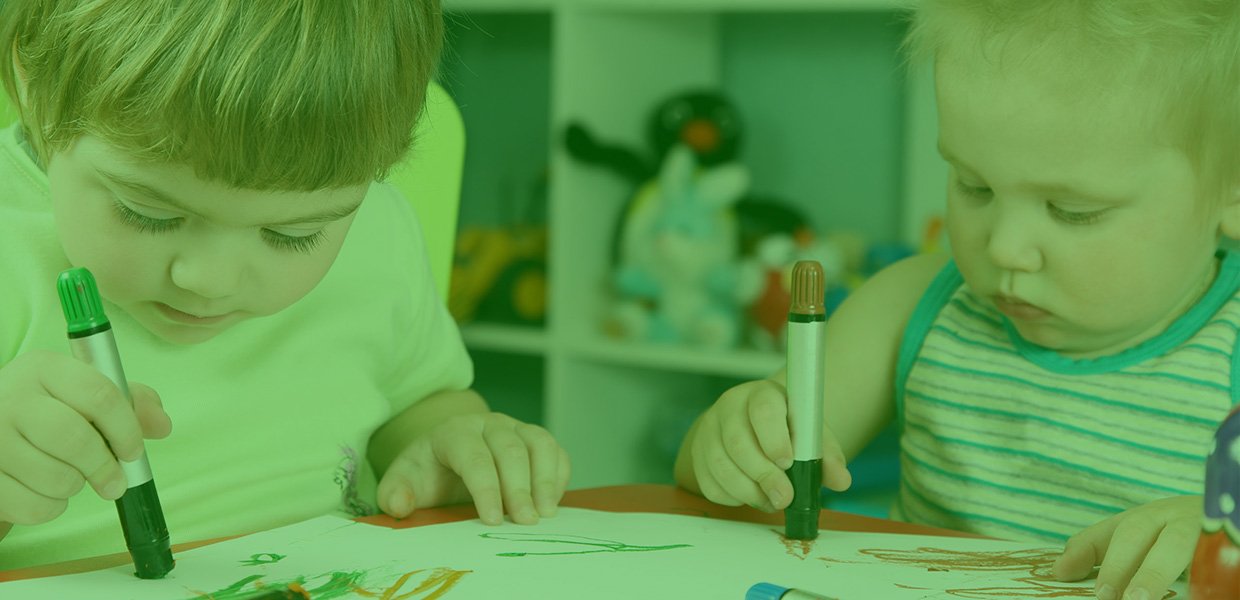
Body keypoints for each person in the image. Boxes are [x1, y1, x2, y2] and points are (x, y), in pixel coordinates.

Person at [675, 1, 1240, 598]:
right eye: (974, 186)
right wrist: (731, 443)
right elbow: (716, 475)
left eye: (1073, 212)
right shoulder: (910, 303)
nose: (1006, 246)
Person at [0, 0, 569, 570]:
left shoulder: (378, 228)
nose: (209, 282)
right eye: (148, 214)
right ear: (34, 83)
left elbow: (418, 400)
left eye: (294, 234)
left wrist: (452, 439)